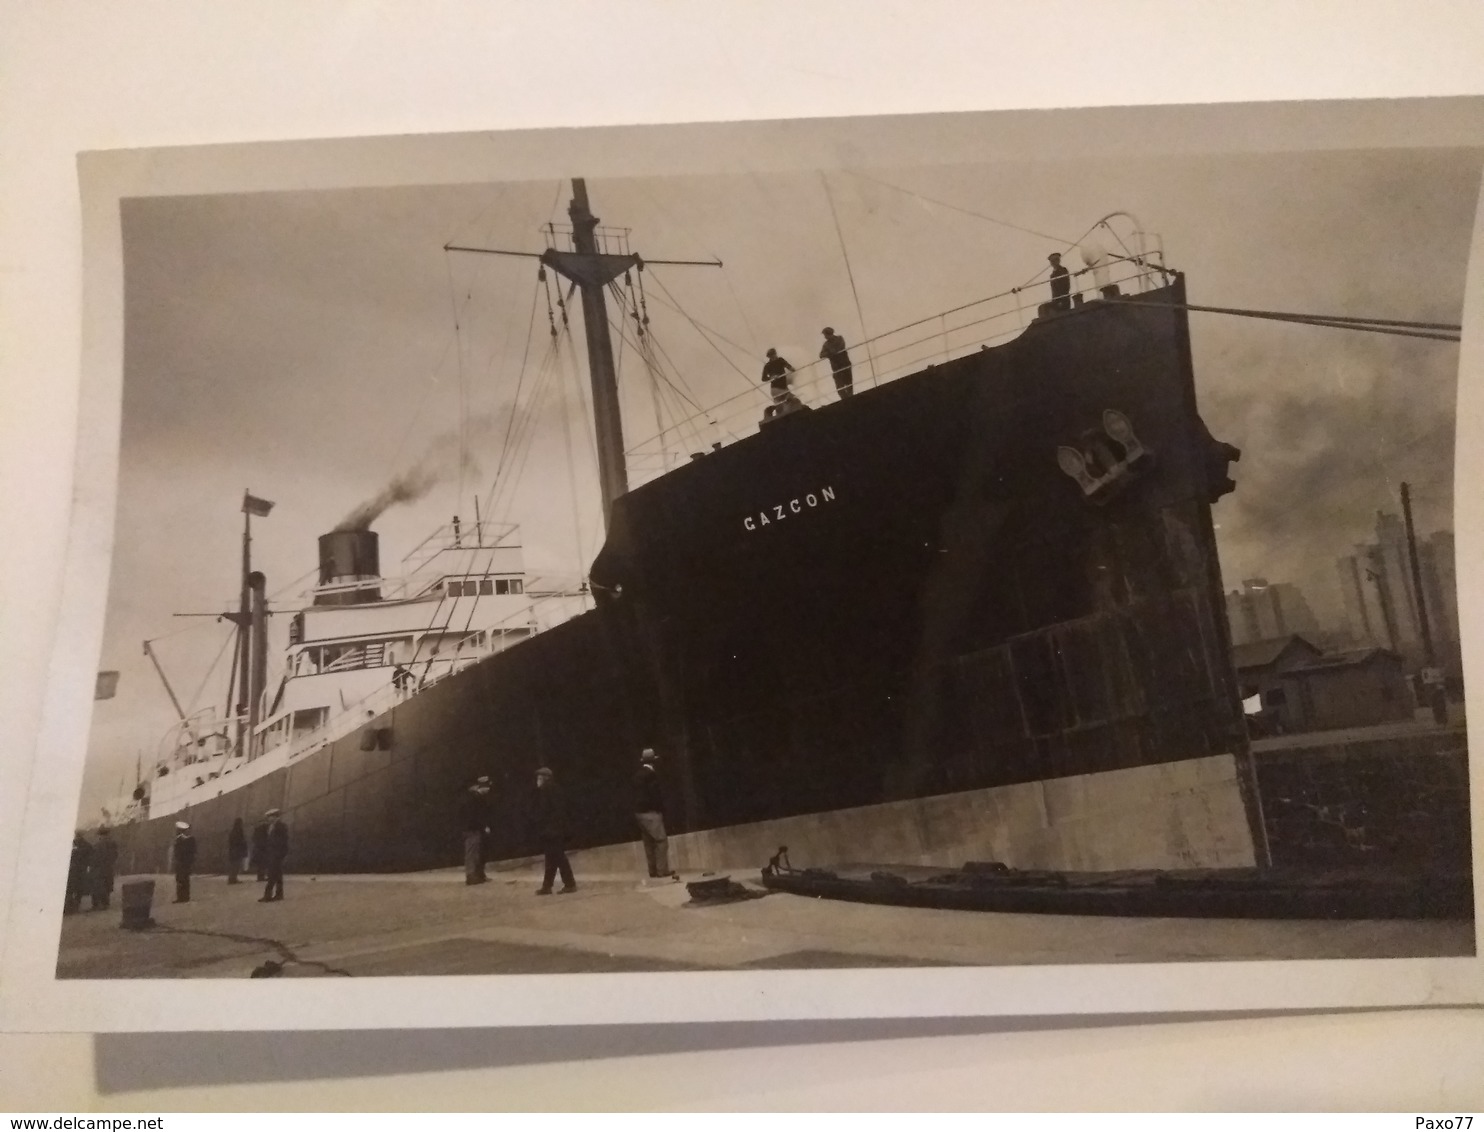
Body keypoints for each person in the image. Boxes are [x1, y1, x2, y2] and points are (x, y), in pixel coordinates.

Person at [633, 748, 678, 881]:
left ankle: (652, 870)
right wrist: (661, 810)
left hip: (639, 813)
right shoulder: (651, 775)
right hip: (650, 812)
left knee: (648, 842)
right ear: (653, 761)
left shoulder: (637, 775)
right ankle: (662, 870)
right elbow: (655, 795)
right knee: (661, 840)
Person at [531, 767, 576, 895]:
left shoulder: (547, 790)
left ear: (545, 779)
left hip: (552, 831)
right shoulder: (554, 789)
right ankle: (547, 886)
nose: (537, 781)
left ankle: (570, 884)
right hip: (555, 830)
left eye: (539, 778)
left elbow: (549, 812)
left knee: (558, 857)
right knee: (552, 858)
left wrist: (546, 827)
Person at [460, 777, 493, 885]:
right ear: (481, 787)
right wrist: (483, 826)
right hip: (472, 829)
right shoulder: (473, 798)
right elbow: (475, 816)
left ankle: (478, 875)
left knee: (477, 853)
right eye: (487, 787)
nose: (488, 789)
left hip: (475, 829)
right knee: (471, 853)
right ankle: (470, 876)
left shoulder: (478, 797)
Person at [259, 808, 289, 902]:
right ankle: (279, 894)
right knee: (278, 875)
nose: (268, 818)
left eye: (270, 816)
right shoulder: (273, 826)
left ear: (275, 816)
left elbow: (283, 841)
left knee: (272, 875)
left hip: (276, 854)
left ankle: (267, 895)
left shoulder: (280, 826)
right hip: (273, 853)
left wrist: (281, 853)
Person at [760, 348, 796, 420]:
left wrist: (792, 369)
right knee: (780, 406)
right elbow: (763, 378)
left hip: (784, 387)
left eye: (773, 355)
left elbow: (790, 367)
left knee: (791, 400)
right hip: (775, 389)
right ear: (769, 356)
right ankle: (782, 419)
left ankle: (790, 417)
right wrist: (772, 377)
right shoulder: (768, 365)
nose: (773, 356)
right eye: (771, 356)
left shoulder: (780, 360)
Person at [819, 327, 854, 399]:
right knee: (840, 389)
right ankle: (846, 400)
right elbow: (821, 355)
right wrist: (830, 353)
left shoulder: (840, 339)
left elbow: (840, 348)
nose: (824, 337)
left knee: (849, 385)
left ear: (829, 334)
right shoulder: (826, 344)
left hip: (845, 366)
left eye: (825, 335)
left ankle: (850, 399)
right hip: (836, 369)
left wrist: (829, 353)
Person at [90, 826, 119, 911]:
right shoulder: (113, 843)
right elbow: (115, 855)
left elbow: (94, 858)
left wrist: (93, 865)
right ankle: (106, 903)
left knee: (98, 885)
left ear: (100, 835)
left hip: (99, 868)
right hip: (109, 867)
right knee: (107, 884)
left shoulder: (97, 844)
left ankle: (97, 905)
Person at [65, 832, 93, 914]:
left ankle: (71, 907)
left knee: (72, 889)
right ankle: (74, 906)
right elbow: (90, 857)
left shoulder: (73, 844)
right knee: (77, 889)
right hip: (80, 870)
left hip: (74, 870)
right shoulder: (87, 845)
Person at [171, 821, 197, 903]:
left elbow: (178, 852)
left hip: (182, 863)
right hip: (186, 863)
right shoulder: (189, 839)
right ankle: (185, 896)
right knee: (184, 879)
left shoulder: (180, 840)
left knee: (181, 880)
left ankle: (182, 897)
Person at [226, 817, 248, 885]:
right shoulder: (239, 831)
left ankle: (232, 878)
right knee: (236, 865)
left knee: (233, 865)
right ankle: (233, 879)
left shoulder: (232, 831)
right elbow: (241, 841)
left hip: (232, 851)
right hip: (237, 851)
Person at [250, 816, 270, 881]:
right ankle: (261, 876)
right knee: (263, 863)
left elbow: (253, 839)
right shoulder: (264, 830)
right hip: (263, 849)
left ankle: (260, 877)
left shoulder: (257, 830)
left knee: (260, 864)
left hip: (258, 849)